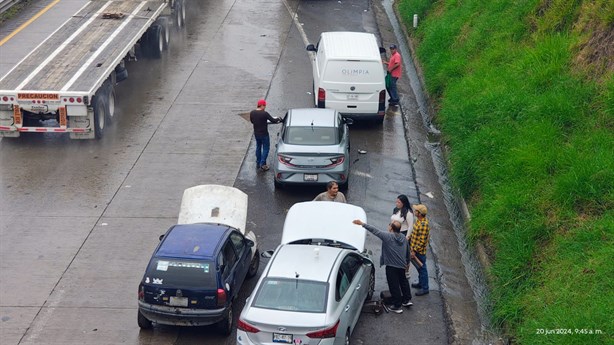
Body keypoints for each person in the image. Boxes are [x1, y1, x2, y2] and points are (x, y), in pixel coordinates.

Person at [352, 219, 412, 314]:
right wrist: (407, 263)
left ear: (391, 228)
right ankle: (407, 300)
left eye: (389, 225)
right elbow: (408, 251)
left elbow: (375, 230)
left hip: (391, 266)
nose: (388, 226)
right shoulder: (404, 238)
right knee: (403, 281)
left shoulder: (387, 236)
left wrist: (362, 224)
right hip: (402, 265)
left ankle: (397, 306)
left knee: (394, 285)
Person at [250, 99, 281, 171]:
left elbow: (252, 121)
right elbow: (273, 120)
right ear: (262, 105)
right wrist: (278, 119)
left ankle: (258, 162)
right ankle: (262, 164)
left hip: (257, 134)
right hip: (264, 134)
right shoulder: (264, 113)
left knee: (258, 147)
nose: (265, 107)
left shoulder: (252, 113)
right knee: (266, 148)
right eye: (265, 106)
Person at [408, 204, 431, 296]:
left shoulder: (423, 225)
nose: (415, 211)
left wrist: (414, 250)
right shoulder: (419, 221)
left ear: (420, 213)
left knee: (422, 269)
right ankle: (421, 283)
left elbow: (422, 241)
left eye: (416, 210)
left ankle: (425, 288)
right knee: (420, 269)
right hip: (414, 249)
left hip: (419, 252)